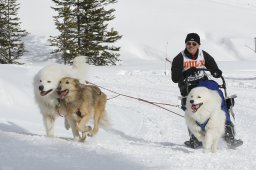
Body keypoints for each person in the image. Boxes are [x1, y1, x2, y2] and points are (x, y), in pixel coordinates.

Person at [171, 33, 242, 148]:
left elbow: (214, 67)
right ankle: (195, 137)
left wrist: (216, 72)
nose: (191, 46)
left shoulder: (203, 55)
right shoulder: (180, 58)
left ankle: (228, 130)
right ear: (186, 44)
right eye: (188, 43)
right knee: (194, 106)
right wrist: (187, 72)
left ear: (198, 45)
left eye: (194, 43)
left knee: (218, 94)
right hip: (188, 85)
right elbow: (175, 78)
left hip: (203, 83)